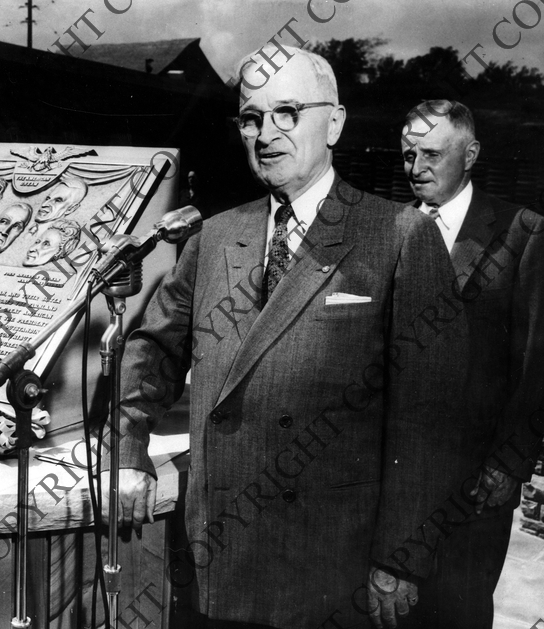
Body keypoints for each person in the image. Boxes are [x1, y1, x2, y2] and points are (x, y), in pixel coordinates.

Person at [106, 46, 469, 628]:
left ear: (335, 123)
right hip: (219, 550)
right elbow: (152, 351)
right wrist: (128, 453)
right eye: (251, 118)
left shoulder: (398, 235)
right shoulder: (215, 236)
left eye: (288, 112)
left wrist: (400, 556)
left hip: (330, 557)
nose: (266, 134)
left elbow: (430, 419)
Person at [400, 100, 544, 629]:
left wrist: (510, 462)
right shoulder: (387, 228)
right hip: (391, 475)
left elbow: (536, 361)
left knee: (458, 612)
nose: (417, 167)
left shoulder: (522, 232)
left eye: (432, 154)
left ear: (471, 153)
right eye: (408, 154)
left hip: (476, 479)